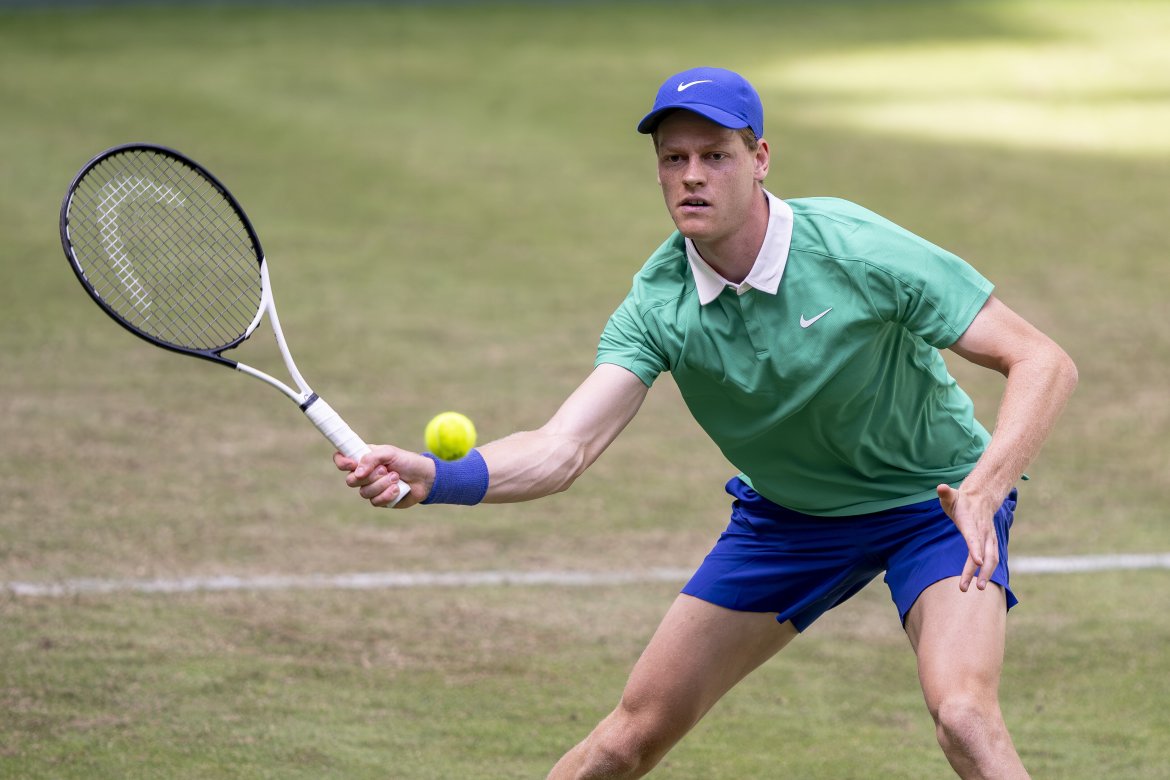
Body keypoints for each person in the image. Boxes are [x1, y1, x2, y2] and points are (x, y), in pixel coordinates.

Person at [335, 66, 1078, 779]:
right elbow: (563, 448)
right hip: (792, 521)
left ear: (760, 159)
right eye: (674, 158)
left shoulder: (856, 249)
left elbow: (1042, 361)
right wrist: (439, 477)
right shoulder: (659, 305)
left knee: (963, 717)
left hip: (936, 504)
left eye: (715, 156)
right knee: (626, 742)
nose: (692, 175)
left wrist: (985, 487)